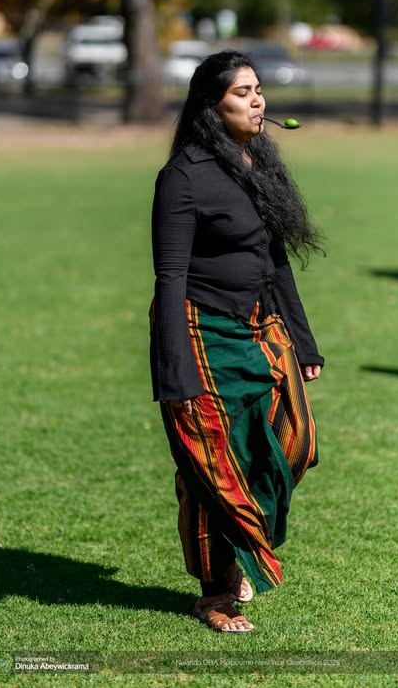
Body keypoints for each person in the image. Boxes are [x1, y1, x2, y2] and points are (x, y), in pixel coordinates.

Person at [149, 50, 324, 633]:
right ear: (210, 105)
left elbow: (275, 263)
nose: (258, 101)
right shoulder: (182, 177)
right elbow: (170, 277)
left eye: (258, 89)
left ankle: (249, 541)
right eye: (242, 92)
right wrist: (174, 370)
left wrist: (303, 342)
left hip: (263, 327)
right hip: (203, 335)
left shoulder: (257, 163)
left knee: (296, 445)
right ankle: (217, 594)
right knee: (214, 467)